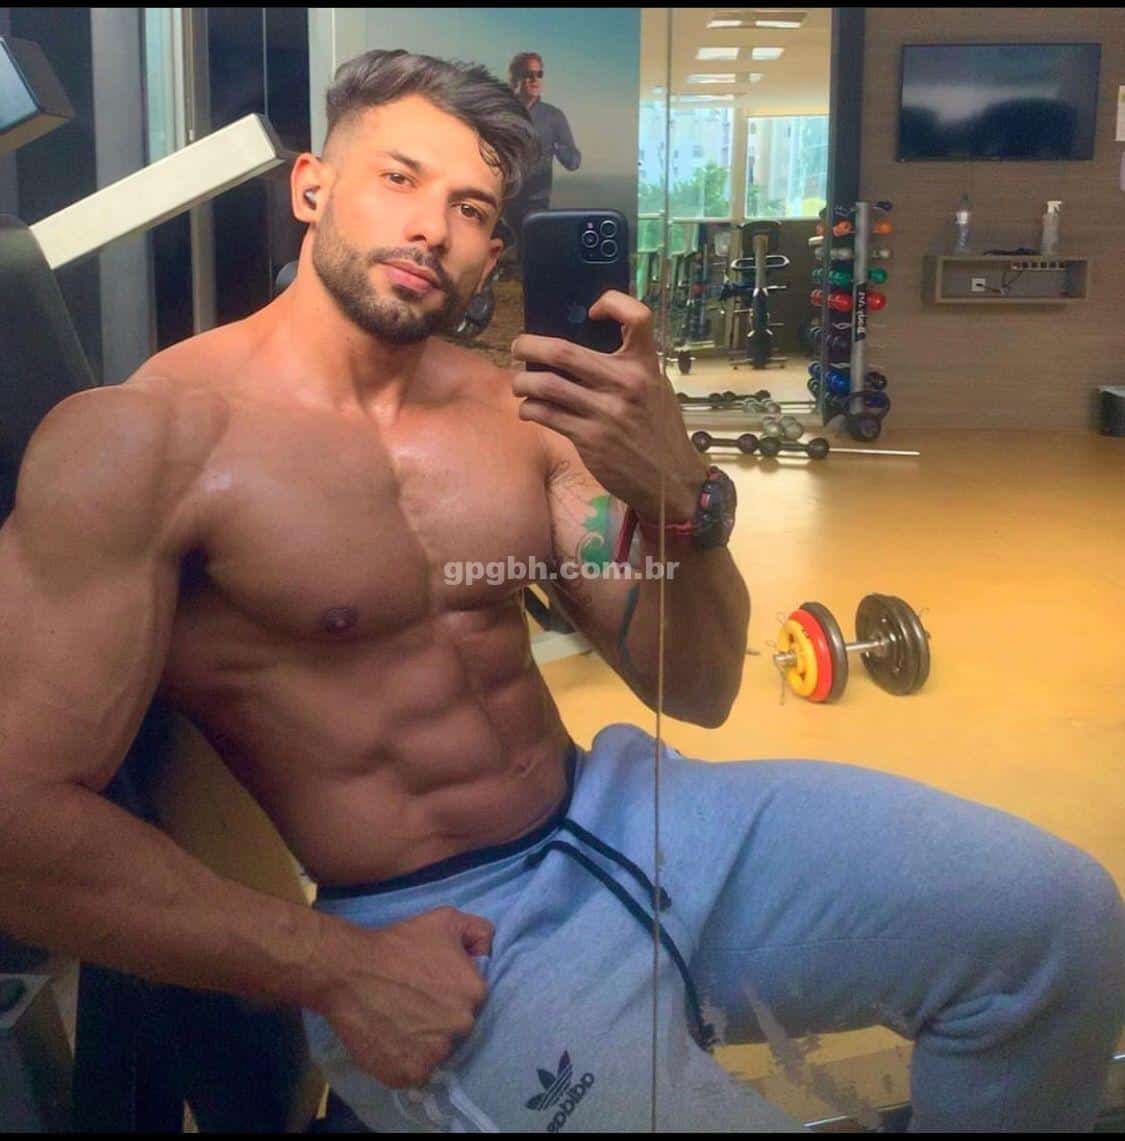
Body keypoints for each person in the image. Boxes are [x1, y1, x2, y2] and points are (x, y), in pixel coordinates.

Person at [0, 48, 1121, 1132]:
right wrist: (338, 969)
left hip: (631, 815)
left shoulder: (518, 415)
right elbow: (16, 822)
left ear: (495, 252)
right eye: (399, 178)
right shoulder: (146, 444)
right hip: (437, 925)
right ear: (312, 186)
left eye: (473, 209)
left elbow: (697, 687)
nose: (432, 228)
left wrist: (682, 494)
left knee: (1057, 926)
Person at [501, 51, 581, 259]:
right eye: (528, 74)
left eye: (539, 74)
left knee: (531, 254)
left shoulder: (553, 116)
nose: (534, 79)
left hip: (536, 201)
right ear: (515, 78)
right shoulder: (501, 113)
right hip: (502, 199)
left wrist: (560, 149)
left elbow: (574, 161)